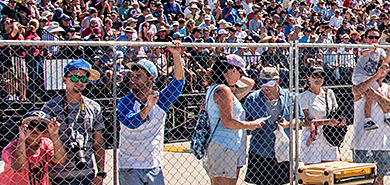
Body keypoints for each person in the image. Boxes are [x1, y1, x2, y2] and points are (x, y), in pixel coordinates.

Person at [116, 42, 186, 185]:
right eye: (132, 76)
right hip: (130, 167)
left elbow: (178, 82)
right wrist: (148, 107)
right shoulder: (125, 101)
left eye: (138, 76)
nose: (133, 80)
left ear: (151, 79)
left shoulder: (160, 100)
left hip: (153, 166)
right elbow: (132, 123)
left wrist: (176, 55)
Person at [41, 59, 107, 185]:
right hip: (57, 176)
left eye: (83, 79)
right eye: (75, 78)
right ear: (64, 80)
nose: (79, 82)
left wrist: (100, 174)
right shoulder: (50, 107)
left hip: (87, 175)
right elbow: (43, 141)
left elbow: (98, 143)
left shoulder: (94, 107)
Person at [201, 55, 263, 185]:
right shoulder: (223, 91)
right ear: (233, 70)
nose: (240, 78)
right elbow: (227, 121)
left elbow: (251, 83)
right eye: (239, 73)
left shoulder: (216, 88)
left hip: (223, 146)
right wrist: (250, 125)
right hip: (223, 146)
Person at [243, 67, 300, 185]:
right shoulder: (252, 99)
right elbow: (244, 122)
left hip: (282, 150)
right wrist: (253, 125)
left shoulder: (290, 97)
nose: (265, 88)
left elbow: (300, 119)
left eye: (269, 84)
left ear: (277, 81)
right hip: (260, 150)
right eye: (263, 84)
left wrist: (288, 124)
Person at [350, 65, 390, 185]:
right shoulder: (361, 85)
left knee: (380, 179)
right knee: (362, 180)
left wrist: (376, 95)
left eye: (384, 71)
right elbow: (357, 91)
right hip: (363, 143)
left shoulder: (387, 88)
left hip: (382, 142)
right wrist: (375, 76)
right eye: (380, 69)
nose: (383, 72)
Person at [0, 110, 64, 185]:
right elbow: (19, 168)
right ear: (23, 127)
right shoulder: (12, 147)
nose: (35, 129)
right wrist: (22, 139)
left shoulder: (46, 143)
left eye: (41, 127)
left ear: (45, 130)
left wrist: (54, 135)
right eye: (31, 126)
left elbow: (60, 160)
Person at [352, 28, 390, 131]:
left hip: (370, 77)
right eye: (371, 37)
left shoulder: (380, 50)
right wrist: (372, 48)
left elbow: (386, 61)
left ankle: (386, 117)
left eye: (376, 37)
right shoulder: (364, 46)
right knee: (372, 94)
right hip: (359, 76)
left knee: (377, 94)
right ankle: (369, 120)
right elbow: (363, 53)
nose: (374, 39)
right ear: (366, 38)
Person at [298, 66, 342, 164]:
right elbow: (304, 122)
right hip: (312, 135)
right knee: (312, 169)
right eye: (315, 76)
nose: (319, 79)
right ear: (308, 77)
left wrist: (341, 120)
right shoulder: (304, 96)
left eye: (321, 75)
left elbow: (336, 112)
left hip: (329, 135)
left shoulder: (329, 93)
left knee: (329, 168)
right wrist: (326, 122)